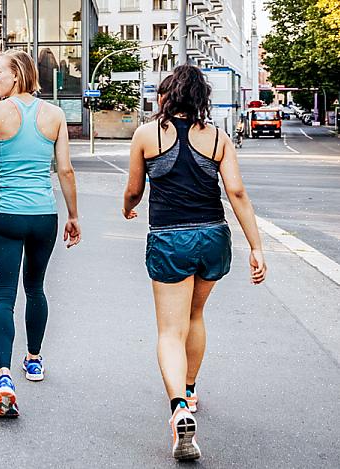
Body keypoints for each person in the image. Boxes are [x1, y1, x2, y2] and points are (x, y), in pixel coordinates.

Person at [123, 65, 267, 461]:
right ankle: (189, 388)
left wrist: (127, 207)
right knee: (196, 317)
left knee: (170, 330)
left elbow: (134, 190)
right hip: (212, 237)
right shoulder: (218, 138)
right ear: (202, 99)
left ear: (165, 97)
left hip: (170, 238)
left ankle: (178, 409)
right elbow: (236, 192)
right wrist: (256, 247)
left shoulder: (146, 135)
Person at [0, 49, 80, 418]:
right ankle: (35, 360)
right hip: (44, 215)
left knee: (4, 298)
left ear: (18, 75)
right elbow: (66, 171)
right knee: (36, 289)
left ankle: (4, 377)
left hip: (7, 216)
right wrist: (73, 215)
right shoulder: (55, 115)